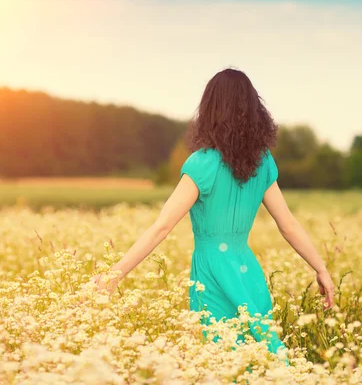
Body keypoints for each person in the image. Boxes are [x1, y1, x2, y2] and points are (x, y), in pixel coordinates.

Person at [90, 68, 335, 357]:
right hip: (248, 273)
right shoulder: (263, 162)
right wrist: (320, 268)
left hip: (213, 274)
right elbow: (288, 224)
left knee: (223, 363)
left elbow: (161, 227)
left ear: (210, 109)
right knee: (261, 359)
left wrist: (114, 275)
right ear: (254, 110)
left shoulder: (201, 164)